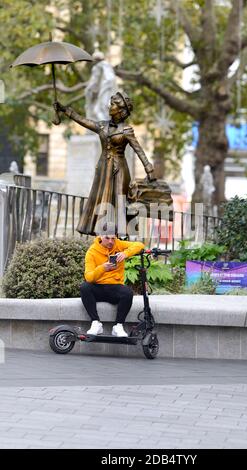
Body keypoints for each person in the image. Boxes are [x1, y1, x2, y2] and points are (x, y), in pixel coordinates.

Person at [53, 91, 155, 236]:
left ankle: (121, 235)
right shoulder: (102, 126)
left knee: (119, 200)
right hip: (103, 168)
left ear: (121, 110)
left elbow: (138, 149)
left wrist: (148, 167)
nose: (110, 106)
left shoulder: (126, 130)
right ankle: (102, 234)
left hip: (119, 169)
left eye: (113, 104)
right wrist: (64, 110)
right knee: (100, 199)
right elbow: (82, 120)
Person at [80, 225, 144, 337]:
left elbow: (140, 245)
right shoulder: (92, 252)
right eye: (107, 238)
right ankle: (96, 323)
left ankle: (118, 326)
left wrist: (125, 253)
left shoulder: (119, 244)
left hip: (115, 288)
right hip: (98, 288)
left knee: (127, 293)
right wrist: (102, 268)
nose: (110, 241)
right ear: (100, 236)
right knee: (85, 287)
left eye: (113, 238)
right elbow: (89, 277)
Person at [84, 51, 117, 121]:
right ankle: (106, 126)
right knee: (104, 109)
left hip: (105, 90)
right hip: (110, 90)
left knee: (98, 110)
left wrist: (88, 90)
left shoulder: (97, 67)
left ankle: (104, 127)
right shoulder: (108, 65)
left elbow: (94, 82)